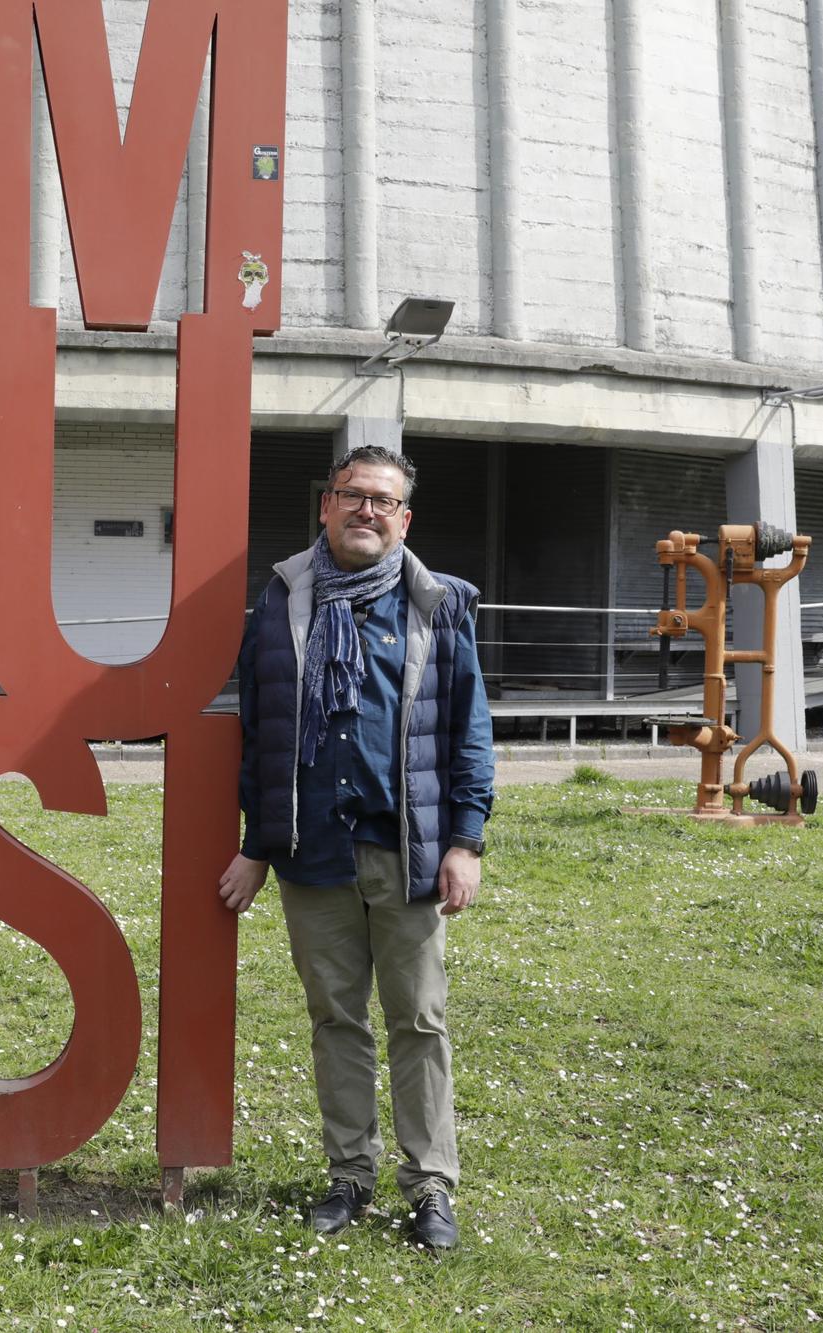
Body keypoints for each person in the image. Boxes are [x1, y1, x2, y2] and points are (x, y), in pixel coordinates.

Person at [218, 444, 493, 1251]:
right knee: (335, 1018)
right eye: (352, 495)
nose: (366, 510)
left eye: (383, 499)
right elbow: (260, 735)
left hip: (404, 850)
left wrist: (466, 839)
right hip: (313, 852)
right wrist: (260, 845)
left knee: (418, 1018)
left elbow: (468, 730)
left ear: (403, 519)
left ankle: (431, 1184)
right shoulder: (281, 603)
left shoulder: (438, 605)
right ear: (325, 506)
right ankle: (349, 1173)